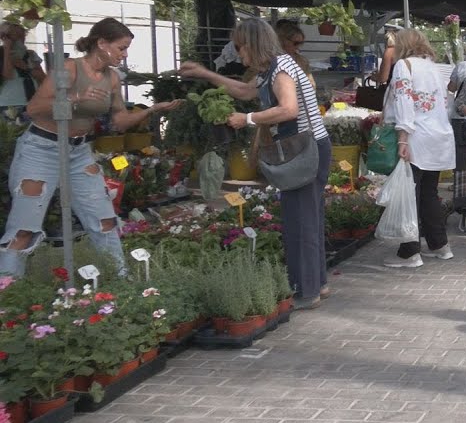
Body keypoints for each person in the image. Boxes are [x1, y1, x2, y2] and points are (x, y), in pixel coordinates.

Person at [1, 18, 182, 276]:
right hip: (41, 149)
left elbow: (120, 122)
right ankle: (8, 292)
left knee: (104, 219)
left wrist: (153, 110)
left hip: (79, 153)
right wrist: (75, 99)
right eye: (121, 47)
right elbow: (34, 108)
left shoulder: (112, 79)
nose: (125, 54)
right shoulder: (68, 69)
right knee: (24, 228)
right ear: (101, 43)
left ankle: (120, 281)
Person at [180, 18, 333, 308]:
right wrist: (206, 74)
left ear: (252, 44)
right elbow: (246, 91)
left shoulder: (282, 69)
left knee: (301, 221)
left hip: (302, 150)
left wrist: (246, 119)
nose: (239, 54)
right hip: (306, 148)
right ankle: (317, 284)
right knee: (307, 218)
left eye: (240, 47)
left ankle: (306, 291)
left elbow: (289, 109)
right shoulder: (272, 68)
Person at [379, 28, 456, 267]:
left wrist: (403, 138)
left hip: (416, 136)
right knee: (429, 194)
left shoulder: (405, 65)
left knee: (410, 194)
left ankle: (410, 251)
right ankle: (439, 244)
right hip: (439, 137)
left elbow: (404, 102)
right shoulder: (433, 67)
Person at [1, 22, 46, 116]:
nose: (21, 39)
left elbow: (42, 78)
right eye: (16, 36)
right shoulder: (2, 53)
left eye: (23, 35)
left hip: (32, 102)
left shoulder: (30, 54)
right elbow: (8, 75)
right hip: (10, 104)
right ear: (6, 37)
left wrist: (26, 67)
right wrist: (7, 50)